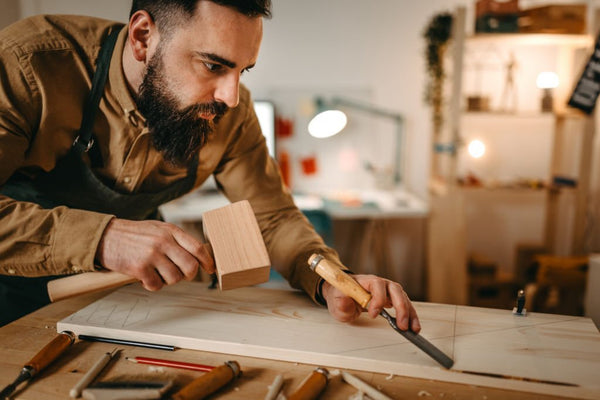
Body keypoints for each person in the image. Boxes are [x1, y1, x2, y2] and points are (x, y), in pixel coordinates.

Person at [0, 0, 421, 332]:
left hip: (126, 300)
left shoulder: (229, 113)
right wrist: (104, 237)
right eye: (213, 65)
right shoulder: (29, 64)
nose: (231, 97)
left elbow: (271, 218)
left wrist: (331, 279)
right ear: (143, 37)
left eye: (243, 70)